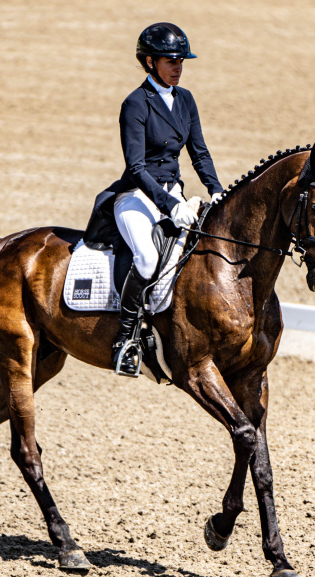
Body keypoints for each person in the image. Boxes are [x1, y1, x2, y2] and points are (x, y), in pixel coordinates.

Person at [83, 22, 225, 377]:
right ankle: (126, 341)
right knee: (146, 258)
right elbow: (136, 166)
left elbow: (200, 153)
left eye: (181, 61)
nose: (177, 67)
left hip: (173, 192)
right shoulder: (135, 104)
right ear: (149, 62)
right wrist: (169, 204)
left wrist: (216, 189)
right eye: (170, 61)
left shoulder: (186, 99)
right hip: (137, 195)